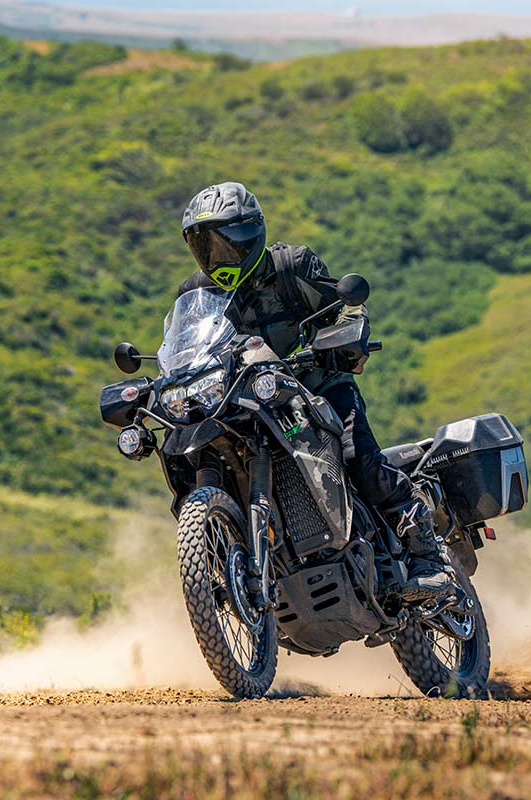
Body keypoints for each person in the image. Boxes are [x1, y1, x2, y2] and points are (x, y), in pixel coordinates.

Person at [177, 181, 453, 601]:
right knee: (192, 454)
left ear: (250, 235)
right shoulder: (197, 293)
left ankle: (426, 558)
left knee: (358, 457)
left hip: (317, 388)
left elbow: (344, 308)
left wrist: (348, 339)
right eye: (205, 246)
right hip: (243, 402)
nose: (216, 257)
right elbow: (186, 346)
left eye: (223, 243)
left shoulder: (292, 267)